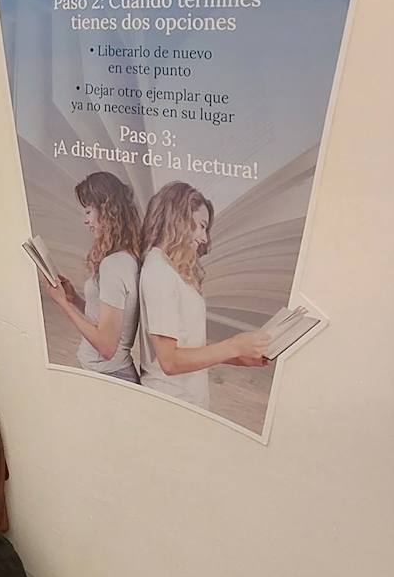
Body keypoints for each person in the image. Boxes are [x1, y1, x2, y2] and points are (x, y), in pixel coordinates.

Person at [137, 182, 269, 410]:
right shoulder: (159, 271)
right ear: (178, 218)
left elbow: (187, 341)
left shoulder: (170, 269)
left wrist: (239, 357)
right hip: (169, 405)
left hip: (185, 403)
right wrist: (234, 346)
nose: (204, 238)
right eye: (201, 226)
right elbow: (169, 361)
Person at [42, 172, 144, 382]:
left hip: (107, 375)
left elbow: (106, 347)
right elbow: (106, 319)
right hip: (106, 372)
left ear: (107, 211)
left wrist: (63, 304)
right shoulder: (124, 259)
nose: (86, 220)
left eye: (88, 211)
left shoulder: (114, 265)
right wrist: (74, 299)